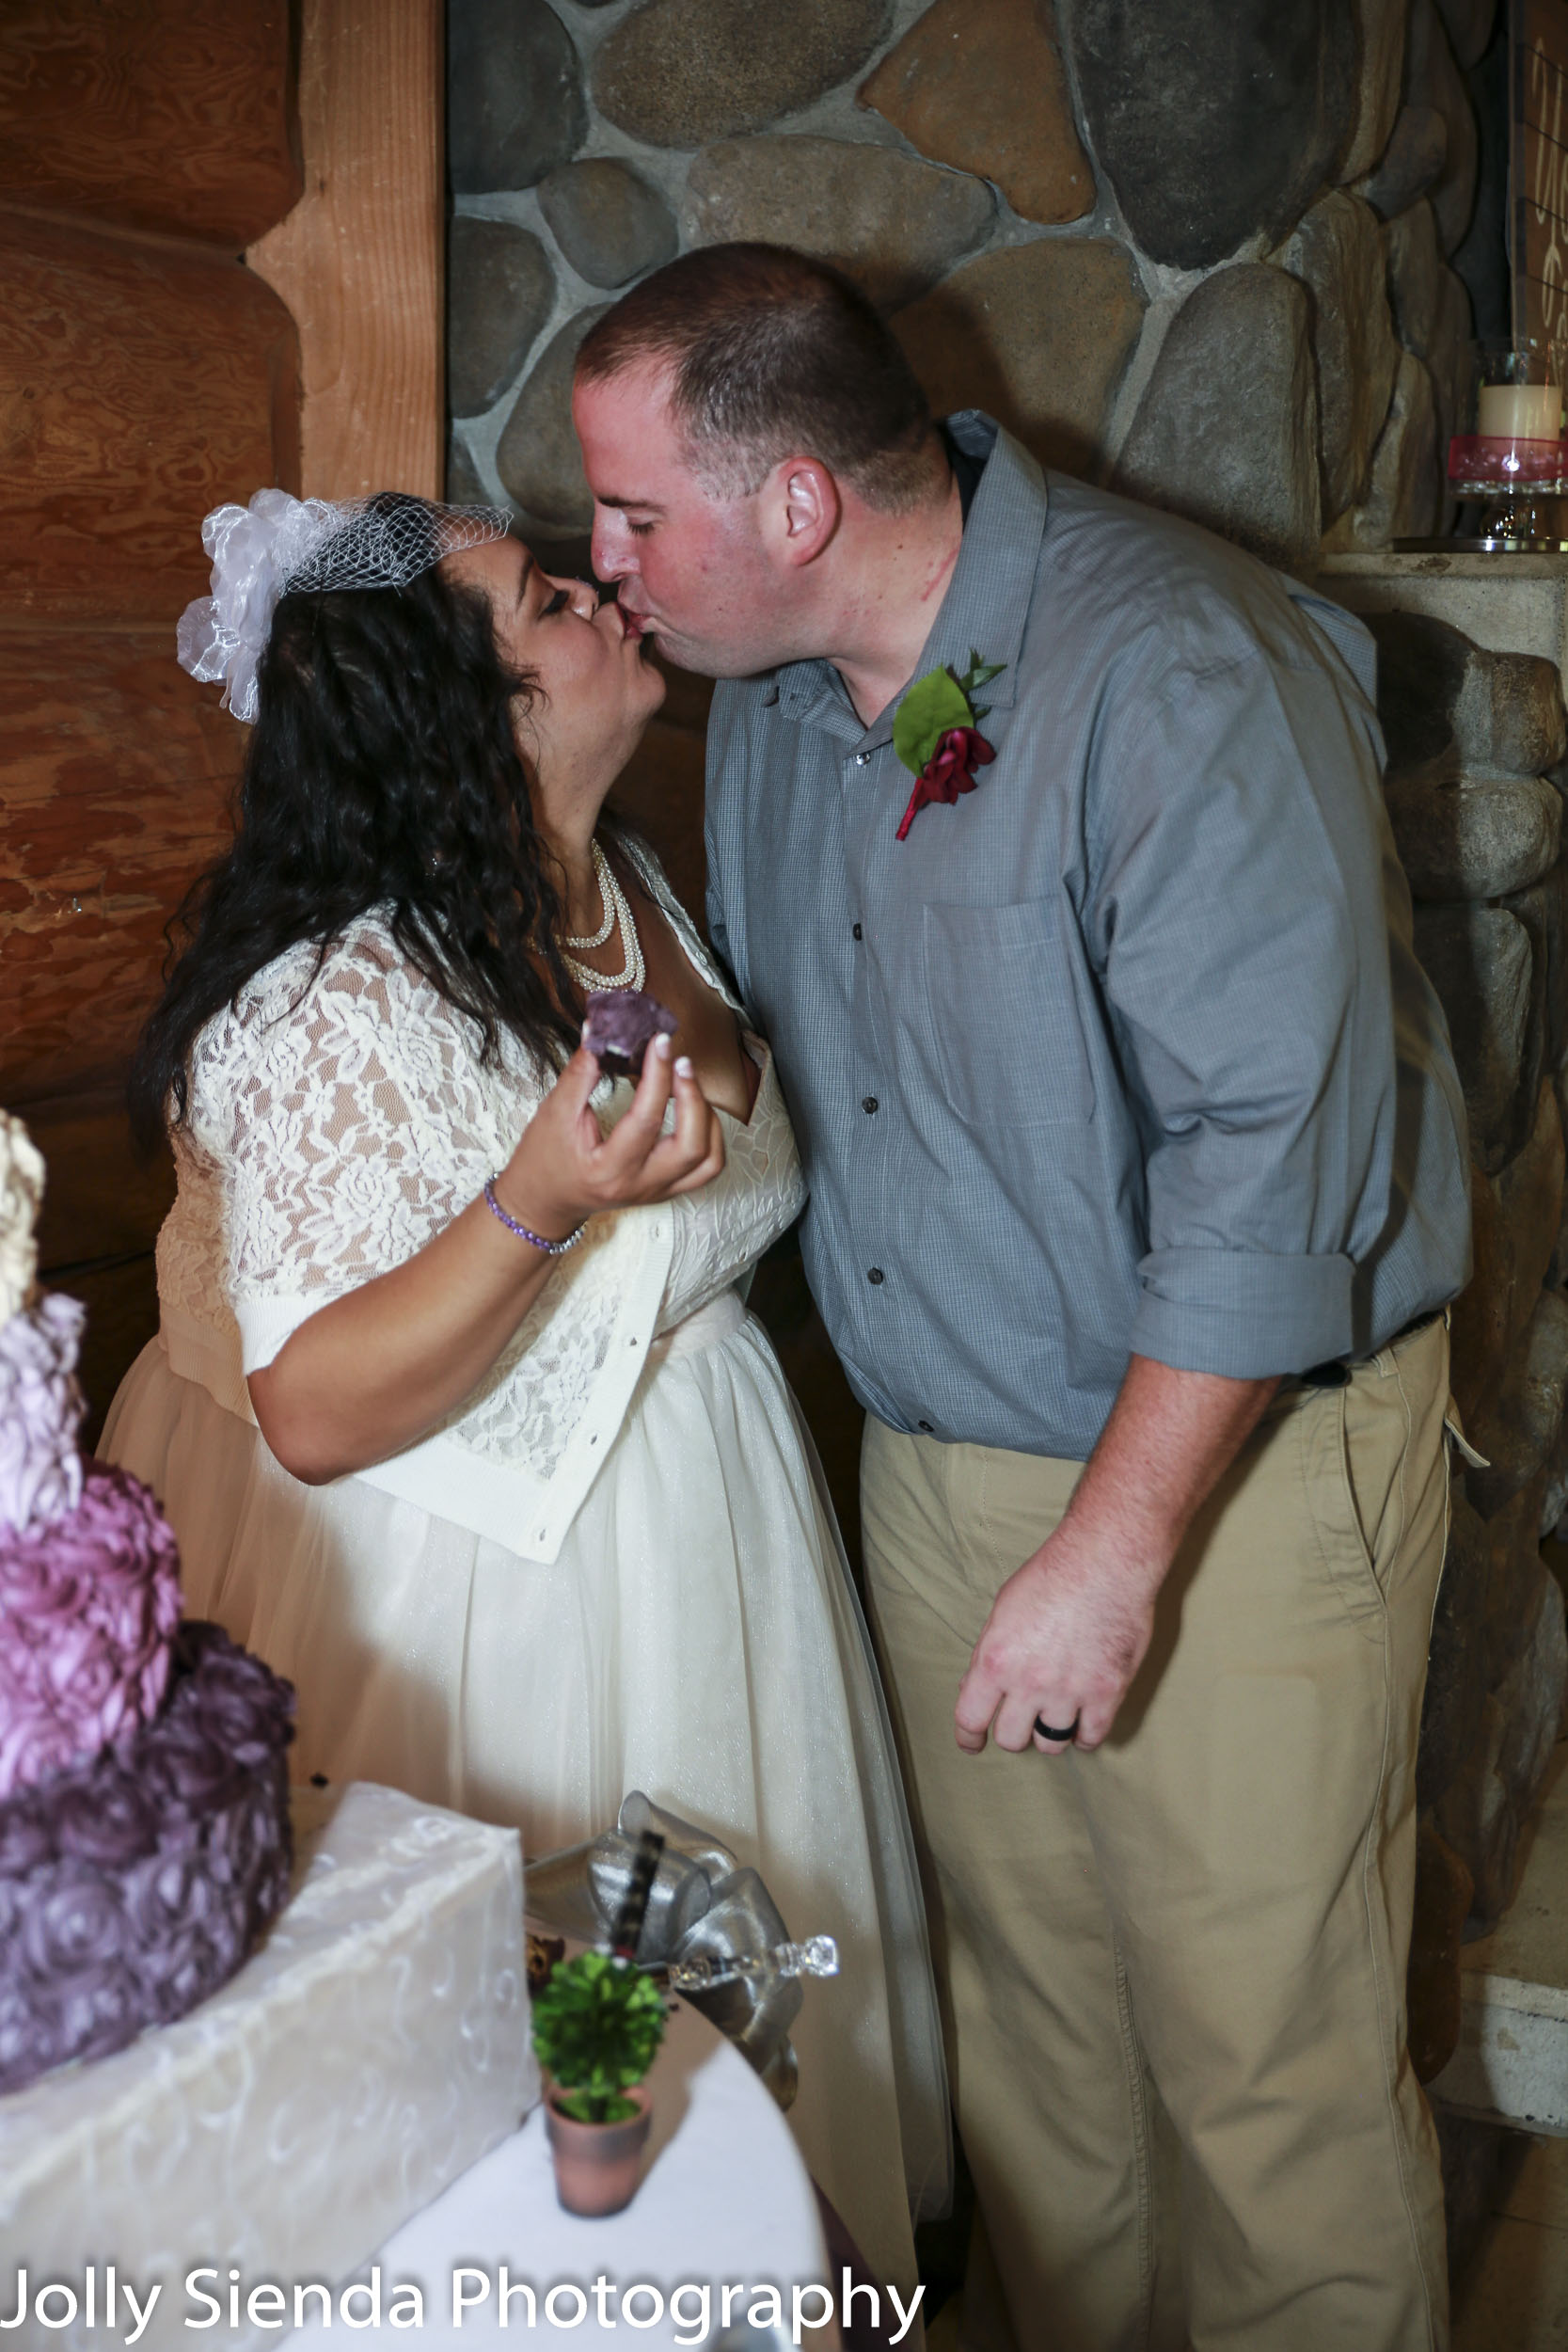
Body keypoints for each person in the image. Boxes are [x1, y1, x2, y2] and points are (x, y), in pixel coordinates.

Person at [571, 244, 1475, 2352]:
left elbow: (1276, 1149)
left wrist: (1121, 1543)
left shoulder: (1182, 668)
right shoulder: (777, 704)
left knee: (1268, 2084)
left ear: (795, 506)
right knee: (1043, 2083)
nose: (604, 569)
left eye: (632, 517)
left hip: (1218, 1476)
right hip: (940, 1475)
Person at [98, 487, 948, 2293]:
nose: (603, 594)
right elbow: (316, 1407)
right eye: (549, 597)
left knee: (732, 2085)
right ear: (455, 708)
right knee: (494, 2124)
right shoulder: (326, 1002)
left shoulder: (622, 885)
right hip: (486, 1603)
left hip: (701, 1547)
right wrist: (537, 1202)